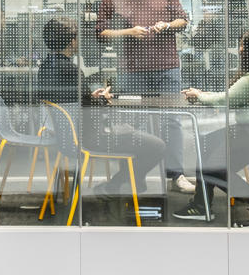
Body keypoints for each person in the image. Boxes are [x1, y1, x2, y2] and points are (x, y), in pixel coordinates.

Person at [34, 18, 165, 201]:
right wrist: (103, 100)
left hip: (66, 137)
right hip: (90, 138)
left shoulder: (46, 67)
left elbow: (74, 102)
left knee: (134, 137)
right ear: (72, 41)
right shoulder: (71, 70)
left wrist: (92, 98)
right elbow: (89, 110)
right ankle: (115, 186)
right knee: (157, 146)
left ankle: (128, 184)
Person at [94, 0, 193, 191]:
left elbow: (183, 20)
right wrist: (129, 32)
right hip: (132, 69)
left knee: (172, 121)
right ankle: (133, 177)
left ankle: (176, 175)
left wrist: (167, 25)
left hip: (166, 66)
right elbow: (100, 33)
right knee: (131, 123)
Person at [175, 30, 249, 228]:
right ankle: (200, 205)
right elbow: (230, 95)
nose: (239, 49)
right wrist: (203, 94)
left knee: (214, 168)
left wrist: (199, 95)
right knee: (206, 144)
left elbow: (225, 99)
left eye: (243, 45)